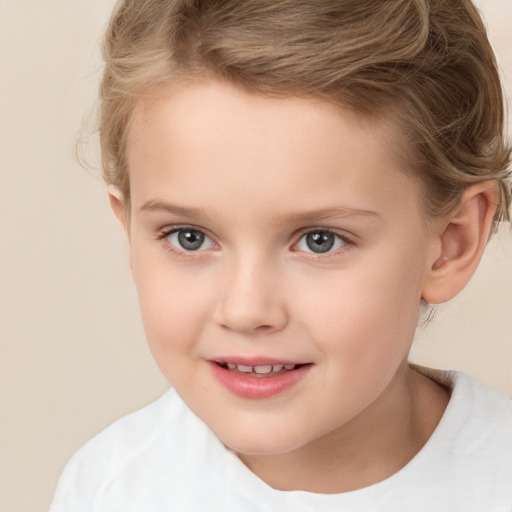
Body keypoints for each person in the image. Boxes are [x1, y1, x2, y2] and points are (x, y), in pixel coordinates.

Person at [49, 0, 512, 510]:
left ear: (451, 243)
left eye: (320, 240)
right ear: (130, 233)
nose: (246, 310)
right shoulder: (110, 487)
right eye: (189, 237)